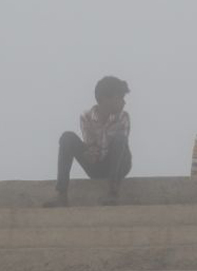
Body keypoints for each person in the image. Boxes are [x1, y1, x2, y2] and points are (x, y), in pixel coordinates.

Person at [44, 76, 132, 207]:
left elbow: (120, 147)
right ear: (105, 99)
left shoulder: (123, 117)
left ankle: (113, 193)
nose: (123, 102)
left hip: (118, 165)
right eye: (119, 98)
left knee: (120, 139)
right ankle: (61, 194)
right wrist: (90, 154)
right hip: (97, 165)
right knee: (67, 138)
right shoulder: (86, 117)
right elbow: (91, 147)